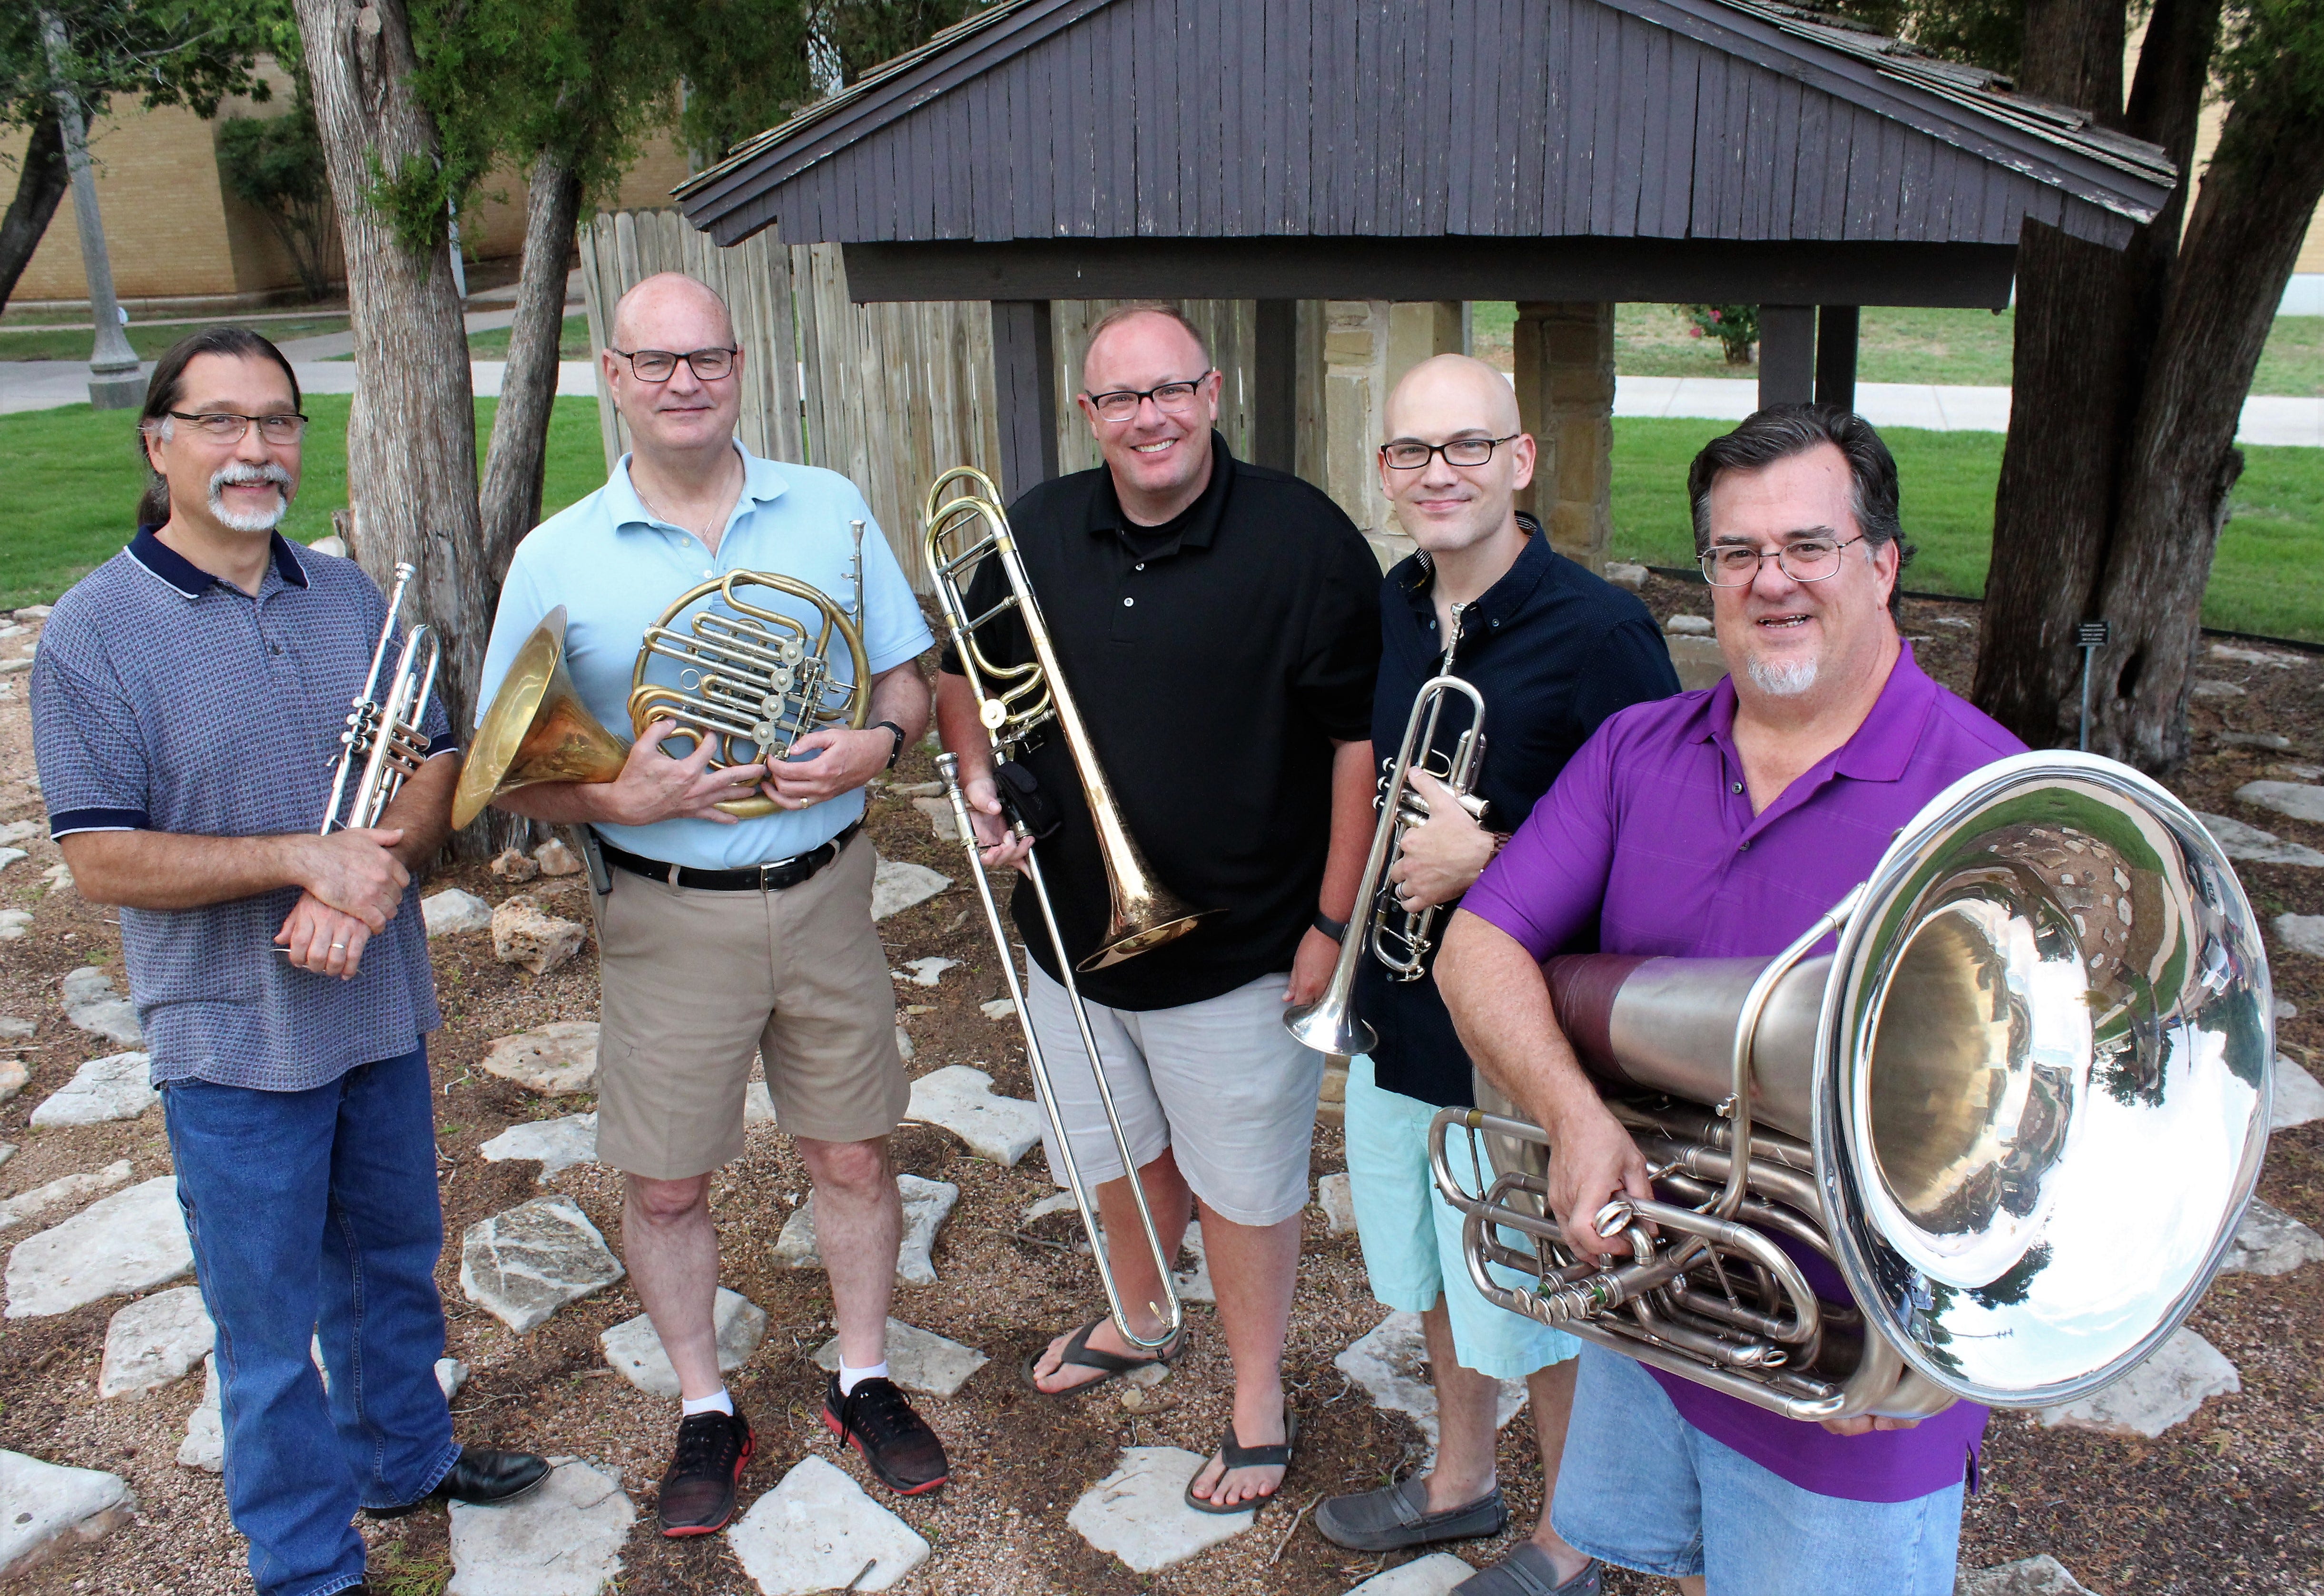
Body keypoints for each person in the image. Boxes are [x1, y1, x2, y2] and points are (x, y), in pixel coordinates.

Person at [1434, 405, 2022, 1596]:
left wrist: (1948, 1352)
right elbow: (1477, 947)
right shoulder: (1636, 749)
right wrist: (1575, 1113)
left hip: (1860, 1383)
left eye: (1810, 545)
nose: (1774, 583)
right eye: (1738, 554)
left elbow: (2056, 1140)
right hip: (1661, 1322)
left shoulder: (1989, 797)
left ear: (1883, 563)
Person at [31, 327, 550, 1596]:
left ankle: (404, 1460)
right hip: (229, 1028)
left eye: (277, 421)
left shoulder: (349, 595)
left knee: (388, 1260)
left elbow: (428, 752)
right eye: (220, 421)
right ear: (159, 443)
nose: (254, 447)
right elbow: (100, 856)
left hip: (371, 997)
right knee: (264, 1324)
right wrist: (303, 858)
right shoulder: (95, 634)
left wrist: (376, 863)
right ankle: (309, 1565)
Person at [473, 272, 942, 1535]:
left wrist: (875, 749)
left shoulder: (830, 509)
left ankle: (862, 1375)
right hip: (670, 907)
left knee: (850, 1149)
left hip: (830, 887)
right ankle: (704, 1404)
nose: (685, 381)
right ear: (613, 376)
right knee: (668, 1180)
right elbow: (506, 763)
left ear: (738, 366)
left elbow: (902, 676)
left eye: (708, 358)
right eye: (656, 361)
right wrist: (618, 800)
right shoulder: (558, 554)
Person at [936, 302, 1381, 1511]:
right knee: (1118, 1151)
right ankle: (1141, 1316)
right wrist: (977, 779)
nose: (1150, 418)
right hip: (1071, 936)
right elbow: (961, 680)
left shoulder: (1305, 541)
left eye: (1170, 390)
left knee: (1242, 1185)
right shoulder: (1032, 530)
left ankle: (1255, 1392)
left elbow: (1358, 746)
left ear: (1214, 390)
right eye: (1121, 399)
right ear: (1090, 415)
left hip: (1242, 942)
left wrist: (1333, 925)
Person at [1313, 356, 1677, 1596]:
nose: (1439, 473)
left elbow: (1666, 851)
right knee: (1427, 1262)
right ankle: (1460, 1478)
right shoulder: (1394, 603)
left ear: (1521, 459)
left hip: (1514, 1031)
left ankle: (1573, 1539)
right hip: (1400, 1009)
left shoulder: (1601, 631)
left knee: (1536, 1290)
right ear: (1385, 474)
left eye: (1467, 446)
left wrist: (1498, 853)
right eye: (1413, 453)